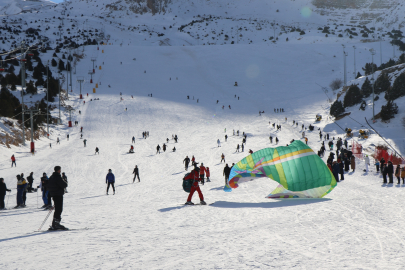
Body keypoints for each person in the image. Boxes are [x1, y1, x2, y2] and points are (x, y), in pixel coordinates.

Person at [47, 166, 68, 230]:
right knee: (59, 209)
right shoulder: (58, 177)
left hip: (53, 195)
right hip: (58, 194)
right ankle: (56, 224)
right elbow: (64, 185)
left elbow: (48, 185)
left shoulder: (51, 177)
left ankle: (55, 223)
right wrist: (64, 182)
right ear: (59, 170)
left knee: (57, 209)